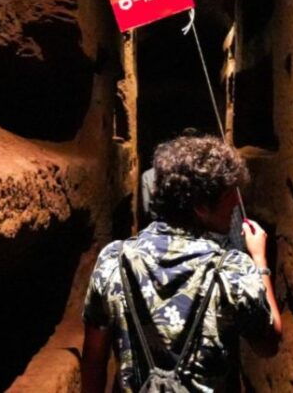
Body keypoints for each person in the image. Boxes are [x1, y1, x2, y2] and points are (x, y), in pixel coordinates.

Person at [81, 135, 282, 392]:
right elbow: (269, 342)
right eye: (228, 194)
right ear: (200, 207)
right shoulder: (231, 269)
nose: (235, 202)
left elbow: (94, 360)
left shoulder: (114, 259)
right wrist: (260, 261)